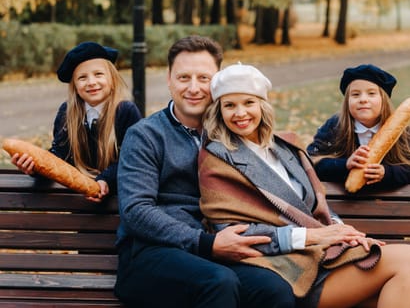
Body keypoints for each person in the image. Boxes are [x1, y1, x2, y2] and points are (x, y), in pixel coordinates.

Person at [198, 63, 410, 308]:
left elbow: (315, 204)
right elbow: (232, 232)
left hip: (325, 255)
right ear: (219, 111)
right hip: (286, 268)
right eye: (230, 105)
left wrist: (344, 231)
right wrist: (313, 236)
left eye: (248, 103)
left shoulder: (284, 147)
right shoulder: (218, 159)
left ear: (262, 105)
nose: (240, 113)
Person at [114, 35, 295, 308]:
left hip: (214, 251)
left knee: (275, 290)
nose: (194, 88)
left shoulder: (233, 133)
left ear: (219, 82)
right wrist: (205, 242)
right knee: (218, 282)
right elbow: (136, 211)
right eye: (184, 77)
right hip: (151, 253)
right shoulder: (146, 135)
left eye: (204, 78)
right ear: (169, 79)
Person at [10, 41, 141, 202]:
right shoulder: (67, 113)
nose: (91, 82)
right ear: (75, 86)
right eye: (82, 77)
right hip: (83, 200)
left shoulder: (125, 111)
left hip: (122, 199)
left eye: (98, 74)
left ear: (112, 78)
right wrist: (35, 168)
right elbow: (59, 158)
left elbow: (133, 159)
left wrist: (105, 180)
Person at [307, 64, 410, 189]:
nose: (363, 99)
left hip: (390, 204)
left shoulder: (402, 132)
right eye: (355, 94)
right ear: (347, 101)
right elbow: (310, 162)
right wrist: (345, 165)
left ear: (384, 100)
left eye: (371, 93)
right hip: (342, 202)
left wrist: (387, 173)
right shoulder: (334, 127)